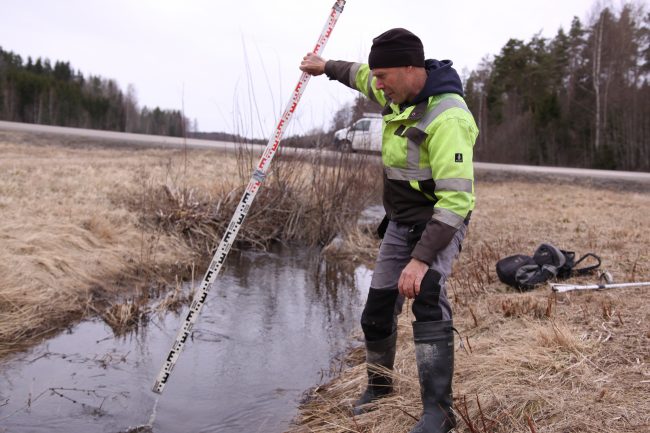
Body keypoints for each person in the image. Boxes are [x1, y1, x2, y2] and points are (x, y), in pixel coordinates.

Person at [300, 28, 477, 433]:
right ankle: (380, 389)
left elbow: (456, 203)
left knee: (427, 296)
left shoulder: (448, 116)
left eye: (384, 76)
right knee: (377, 309)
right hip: (400, 222)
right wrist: (323, 67)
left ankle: (439, 411)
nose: (376, 85)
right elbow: (357, 74)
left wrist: (419, 260)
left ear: (412, 69)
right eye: (377, 77)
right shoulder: (393, 90)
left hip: (440, 222)